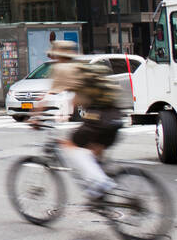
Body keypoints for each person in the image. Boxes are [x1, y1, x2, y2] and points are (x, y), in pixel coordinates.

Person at [35, 40, 124, 205]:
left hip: (99, 118)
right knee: (92, 152)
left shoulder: (62, 69)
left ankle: (101, 184)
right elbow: (78, 98)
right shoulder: (82, 68)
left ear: (57, 55)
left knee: (70, 145)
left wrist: (34, 118)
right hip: (114, 115)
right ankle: (101, 198)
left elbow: (46, 98)